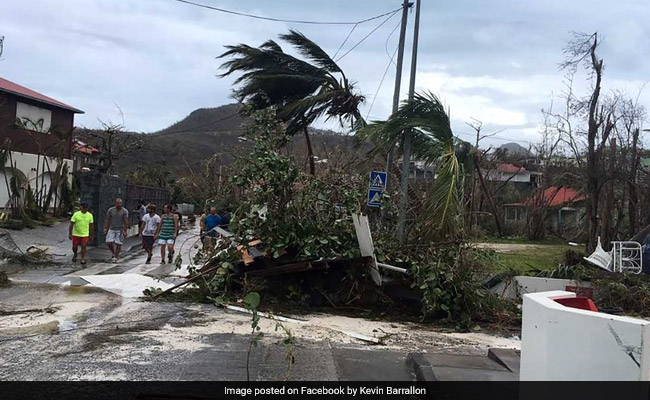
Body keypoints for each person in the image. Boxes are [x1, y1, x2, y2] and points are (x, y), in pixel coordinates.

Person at [103, 198, 129, 263]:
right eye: (117, 203)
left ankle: (116, 257)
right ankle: (113, 252)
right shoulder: (111, 210)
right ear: (115, 203)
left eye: (120, 203)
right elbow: (107, 219)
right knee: (108, 242)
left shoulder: (124, 211)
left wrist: (125, 231)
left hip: (120, 230)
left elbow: (126, 222)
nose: (119, 204)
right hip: (112, 228)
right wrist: (105, 228)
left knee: (118, 243)